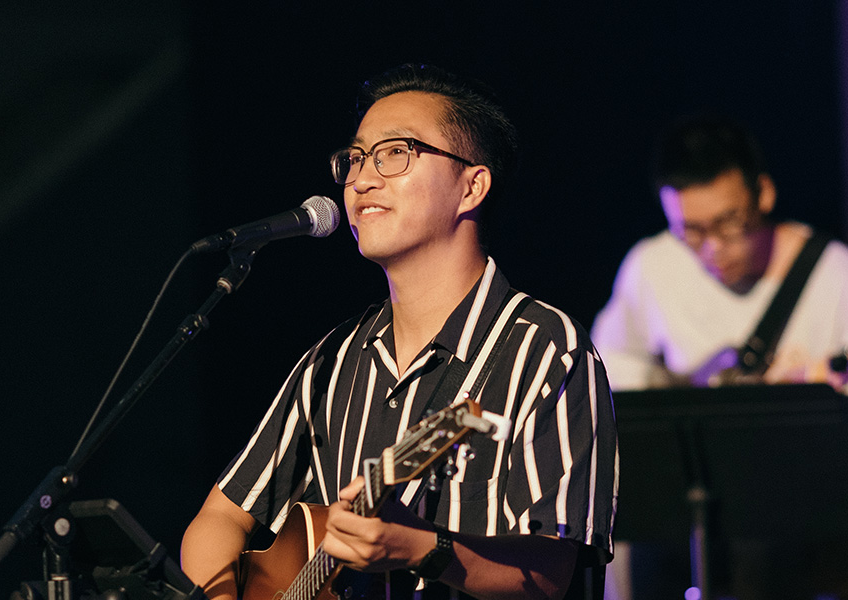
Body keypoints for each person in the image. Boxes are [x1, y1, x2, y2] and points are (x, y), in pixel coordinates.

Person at [182, 64, 617, 600]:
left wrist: (422, 549)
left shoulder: (545, 348)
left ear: (472, 186)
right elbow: (217, 520)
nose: (362, 179)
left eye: (396, 153)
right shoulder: (332, 361)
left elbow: (550, 573)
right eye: (356, 158)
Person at [590, 115, 848, 599]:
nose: (713, 248)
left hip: (805, 520)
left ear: (764, 194)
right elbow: (611, 378)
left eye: (729, 223)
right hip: (686, 517)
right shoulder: (651, 267)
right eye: (690, 231)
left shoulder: (840, 277)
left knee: (762, 538)